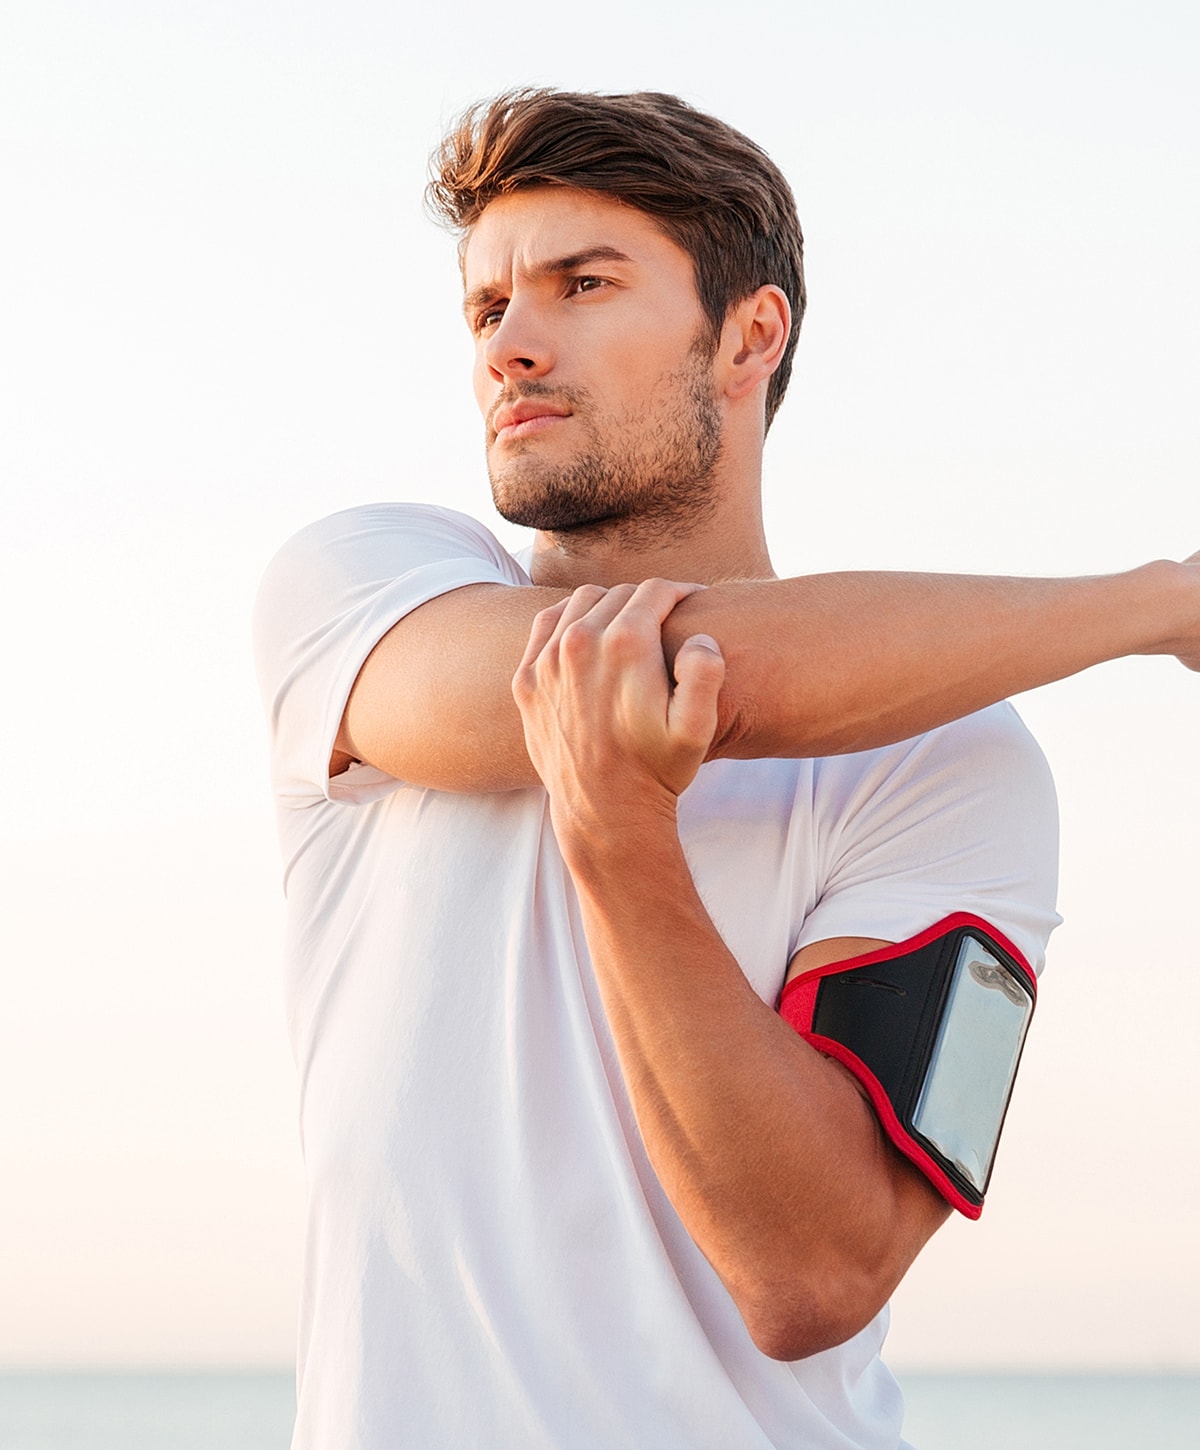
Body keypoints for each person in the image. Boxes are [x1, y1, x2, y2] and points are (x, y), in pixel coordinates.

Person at [253, 89, 1199, 1449]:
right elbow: (652, 668)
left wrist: (624, 841)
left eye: (583, 284)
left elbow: (813, 1271)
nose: (510, 347)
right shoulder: (361, 592)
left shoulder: (958, 761)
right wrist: (1160, 605)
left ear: (751, 335)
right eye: (485, 307)